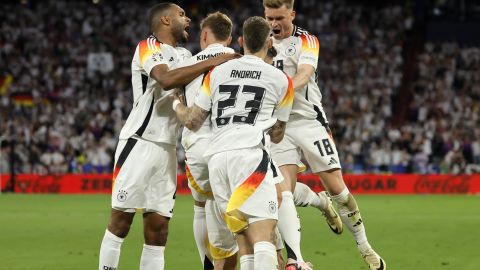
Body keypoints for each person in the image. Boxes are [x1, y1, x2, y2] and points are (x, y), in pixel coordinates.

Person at [98, 3, 238, 270]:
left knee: (158, 230)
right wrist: (216, 59)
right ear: (165, 19)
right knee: (120, 222)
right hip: (140, 142)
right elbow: (165, 79)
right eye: (181, 15)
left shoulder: (186, 55)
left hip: (167, 148)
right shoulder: (147, 46)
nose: (187, 20)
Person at [263, 0, 386, 269]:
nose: (274, 24)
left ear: (291, 14)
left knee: (339, 191)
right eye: (269, 17)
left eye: (279, 18)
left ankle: (365, 247)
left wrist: (277, 93)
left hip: (309, 122)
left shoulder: (307, 40)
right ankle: (315, 214)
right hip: (277, 127)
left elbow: (305, 74)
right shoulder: (262, 42)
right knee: (281, 194)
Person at [174, 16, 294, 270]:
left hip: (217, 159)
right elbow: (278, 134)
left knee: (242, 238)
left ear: (241, 41)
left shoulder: (217, 73)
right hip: (250, 155)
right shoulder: (281, 79)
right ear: (269, 41)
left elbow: (194, 120)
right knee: (263, 236)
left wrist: (177, 104)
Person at [175, 11, 238, 270]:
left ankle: (207, 265)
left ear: (203, 34)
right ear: (230, 37)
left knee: (201, 206)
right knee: (241, 211)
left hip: (198, 145)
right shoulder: (241, 60)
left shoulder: (187, 65)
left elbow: (178, 97)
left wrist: (177, 103)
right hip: (232, 145)